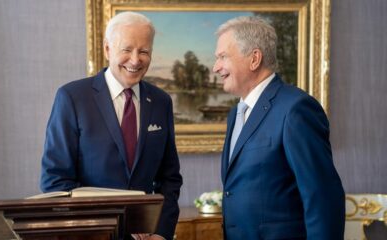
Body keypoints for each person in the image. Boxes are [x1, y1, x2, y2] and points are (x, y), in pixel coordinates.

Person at [40, 11, 182, 240]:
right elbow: (55, 181)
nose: (135, 60)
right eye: (126, 49)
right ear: (107, 49)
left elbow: (170, 178)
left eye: (144, 51)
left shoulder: (161, 101)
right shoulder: (72, 97)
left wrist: (161, 232)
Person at [213, 16, 345, 239]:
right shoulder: (235, 113)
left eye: (223, 57)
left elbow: (322, 196)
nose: (216, 67)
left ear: (254, 58)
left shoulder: (296, 109)